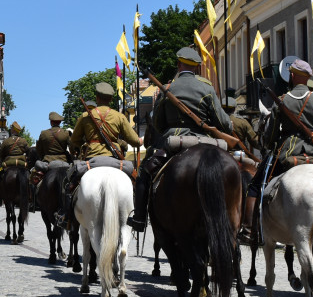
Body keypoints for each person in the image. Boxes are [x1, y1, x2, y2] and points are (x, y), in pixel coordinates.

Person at [131, 49, 231, 232]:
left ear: (179, 64)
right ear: (197, 67)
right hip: (205, 141)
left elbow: (159, 124)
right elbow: (223, 122)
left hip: (173, 141)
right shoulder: (207, 88)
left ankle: (139, 218)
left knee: (145, 173)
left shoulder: (168, 89)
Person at [239, 58, 313, 242]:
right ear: (307, 78)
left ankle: (250, 229)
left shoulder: (282, 100)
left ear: (291, 76)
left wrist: (269, 143)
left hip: (287, 153)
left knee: (255, 185)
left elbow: (271, 136)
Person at [59, 82, 142, 227]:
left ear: (97, 98)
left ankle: (67, 217)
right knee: (138, 183)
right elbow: (135, 141)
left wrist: (75, 150)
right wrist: (141, 140)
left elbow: (74, 142)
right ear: (110, 99)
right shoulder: (119, 116)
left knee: (69, 185)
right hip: (115, 160)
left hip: (92, 159)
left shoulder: (86, 116)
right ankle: (139, 215)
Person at [0, 121, 29, 207]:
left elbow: (1, 154)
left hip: (8, 164)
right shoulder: (23, 141)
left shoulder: (6, 141)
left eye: (11, 128)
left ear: (12, 130)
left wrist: (4, 161)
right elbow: (28, 152)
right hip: (21, 164)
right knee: (30, 178)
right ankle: (31, 197)